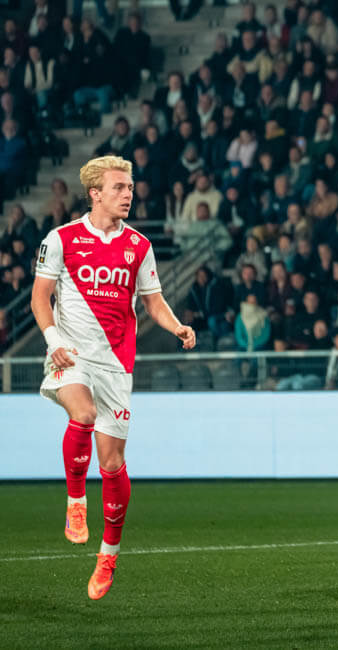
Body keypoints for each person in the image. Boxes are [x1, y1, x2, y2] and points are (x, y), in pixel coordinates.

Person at [30, 155, 196, 600]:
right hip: (70, 353)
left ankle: (108, 555)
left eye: (130, 187)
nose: (128, 194)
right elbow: (40, 297)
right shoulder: (61, 239)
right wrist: (52, 340)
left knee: (112, 464)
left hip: (117, 366)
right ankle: (76, 503)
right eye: (119, 187)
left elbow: (153, 302)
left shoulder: (139, 245)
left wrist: (177, 326)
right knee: (82, 414)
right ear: (95, 193)